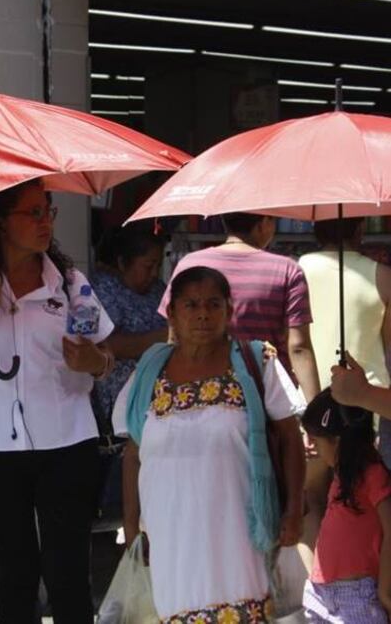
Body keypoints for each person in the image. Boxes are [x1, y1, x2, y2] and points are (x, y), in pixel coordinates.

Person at [0, 180, 115, 624]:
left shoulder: (70, 284)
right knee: (14, 573)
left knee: (68, 572)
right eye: (33, 213)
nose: (45, 221)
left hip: (67, 442)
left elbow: (105, 355)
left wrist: (94, 362)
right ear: (0, 223)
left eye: (48, 211)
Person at [114, 266, 307, 624]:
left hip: (238, 533)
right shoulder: (149, 372)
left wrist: (294, 508)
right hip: (169, 534)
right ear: (171, 313)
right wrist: (131, 530)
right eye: (191, 304)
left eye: (213, 304)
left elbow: (290, 436)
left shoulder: (255, 363)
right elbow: (133, 455)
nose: (203, 313)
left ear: (229, 310)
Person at [162, 213, 319, 400]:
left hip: (197, 393)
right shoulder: (287, 270)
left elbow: (174, 337)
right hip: (269, 396)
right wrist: (316, 411)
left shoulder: (189, 264)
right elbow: (298, 347)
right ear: (264, 223)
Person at [300, 218, 391, 467]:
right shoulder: (383, 276)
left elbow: (294, 342)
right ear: (359, 230)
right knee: (365, 493)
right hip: (368, 403)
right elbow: (388, 346)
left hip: (309, 397)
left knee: (316, 499)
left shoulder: (298, 269)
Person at [300, 390, 391, 623]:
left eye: (318, 441)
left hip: (356, 595)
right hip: (320, 592)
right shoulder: (341, 476)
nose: (314, 449)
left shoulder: (372, 473)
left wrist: (385, 588)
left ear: (337, 441)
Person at [91, 226, 169, 428]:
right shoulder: (104, 288)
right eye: (148, 266)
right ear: (123, 263)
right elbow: (106, 344)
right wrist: (162, 338)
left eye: (158, 266)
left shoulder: (158, 289)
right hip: (120, 403)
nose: (154, 274)